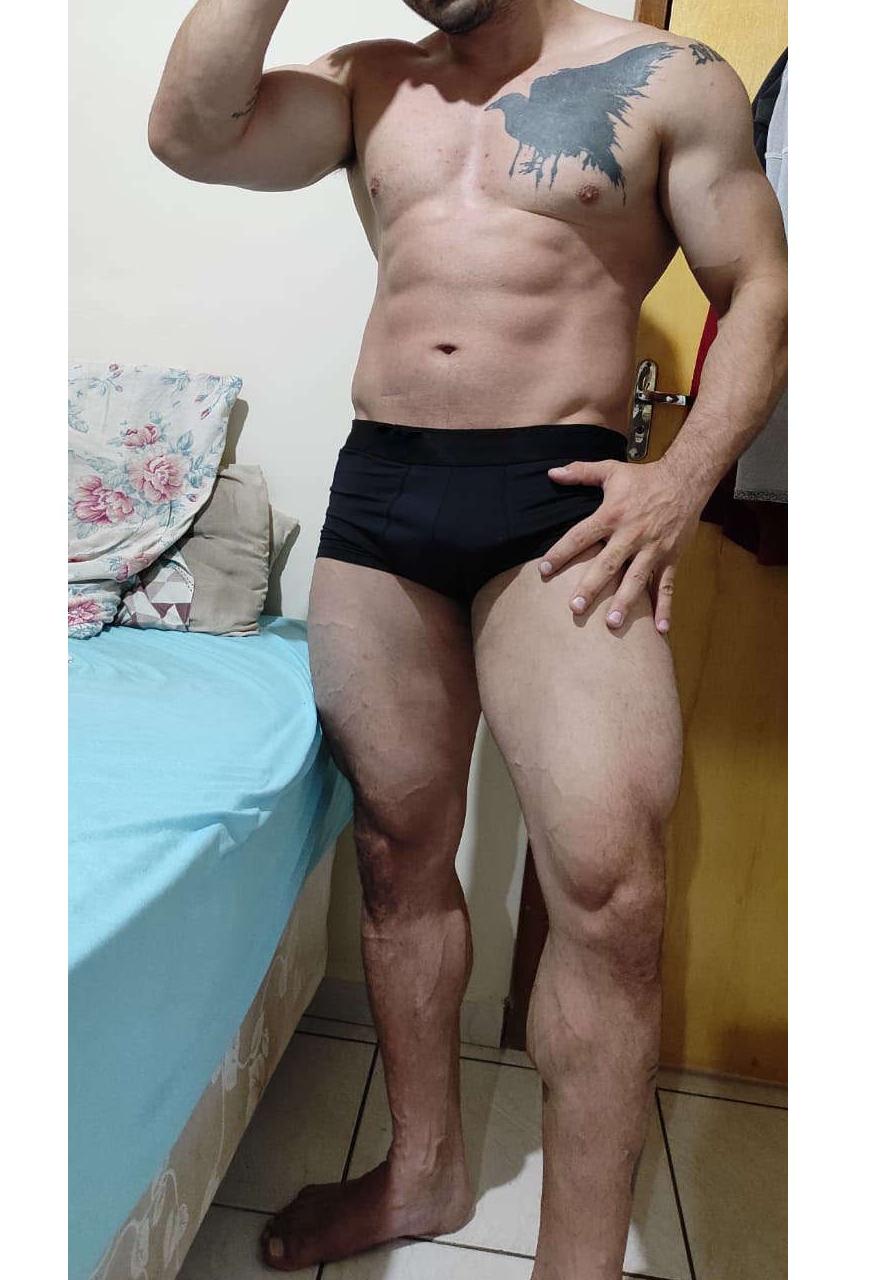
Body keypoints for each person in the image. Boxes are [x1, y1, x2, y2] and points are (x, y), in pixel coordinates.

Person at [149, 2, 787, 1275]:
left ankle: (574, 1261)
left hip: (557, 505)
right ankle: (424, 1170)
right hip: (382, 497)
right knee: (397, 852)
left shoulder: (668, 76)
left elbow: (760, 284)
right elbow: (191, 134)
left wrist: (680, 480)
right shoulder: (369, 82)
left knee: (606, 889)